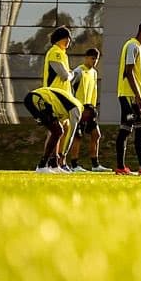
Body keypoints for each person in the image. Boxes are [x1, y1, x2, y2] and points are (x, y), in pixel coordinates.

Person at [114, 22, 141, 175]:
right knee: (130, 129)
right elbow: (128, 72)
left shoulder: (133, 45)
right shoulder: (133, 46)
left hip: (129, 95)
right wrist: (138, 96)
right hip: (129, 96)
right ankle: (137, 167)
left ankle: (133, 167)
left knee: (136, 129)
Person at [41, 27, 82, 172]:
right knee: (55, 130)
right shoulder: (55, 52)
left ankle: (55, 163)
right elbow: (64, 75)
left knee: (62, 129)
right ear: (60, 38)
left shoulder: (62, 53)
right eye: (67, 37)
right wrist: (72, 74)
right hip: (54, 96)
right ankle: (47, 163)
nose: (69, 40)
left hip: (62, 97)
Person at [65, 48, 107, 171]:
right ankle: (74, 164)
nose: (94, 61)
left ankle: (95, 164)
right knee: (77, 136)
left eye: (97, 59)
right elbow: (69, 88)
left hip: (90, 109)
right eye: (93, 58)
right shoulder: (79, 71)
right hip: (78, 109)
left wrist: (93, 107)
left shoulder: (94, 72)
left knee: (96, 134)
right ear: (86, 58)